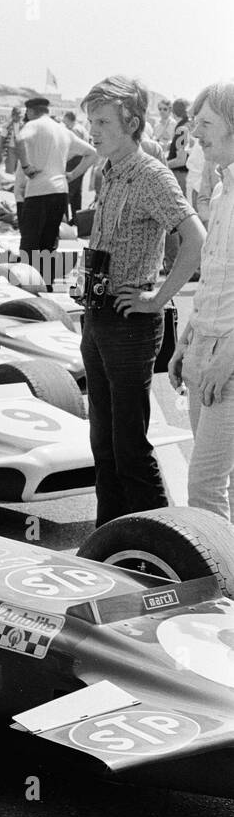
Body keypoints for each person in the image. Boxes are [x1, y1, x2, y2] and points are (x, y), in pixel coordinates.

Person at [79, 76, 204, 527]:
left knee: (129, 447)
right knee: (104, 444)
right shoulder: (109, 170)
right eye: (90, 120)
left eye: (102, 121)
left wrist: (157, 298)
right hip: (98, 315)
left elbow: (195, 239)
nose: (93, 129)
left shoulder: (151, 173)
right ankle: (108, 543)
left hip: (129, 322)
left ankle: (159, 547)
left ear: (131, 122)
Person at [168, 81, 234, 519]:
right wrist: (187, 339)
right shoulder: (222, 187)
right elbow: (216, 275)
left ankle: (222, 584)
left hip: (227, 356)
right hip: (205, 347)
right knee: (213, 484)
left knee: (204, 487)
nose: (197, 135)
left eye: (206, 124)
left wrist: (226, 356)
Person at [14, 97, 97, 285]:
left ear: (31, 111)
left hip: (38, 190)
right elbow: (92, 153)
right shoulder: (63, 130)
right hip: (60, 190)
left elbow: (19, 139)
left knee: (29, 243)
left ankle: (27, 286)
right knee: (49, 244)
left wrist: (26, 167)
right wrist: (72, 174)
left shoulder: (34, 125)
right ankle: (46, 283)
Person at [0, 105, 24, 174]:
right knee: (10, 171)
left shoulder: (24, 125)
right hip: (10, 150)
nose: (18, 116)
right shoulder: (7, 125)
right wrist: (0, 153)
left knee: (19, 171)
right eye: (16, 114)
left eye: (19, 115)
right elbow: (2, 139)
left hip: (20, 150)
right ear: (13, 115)